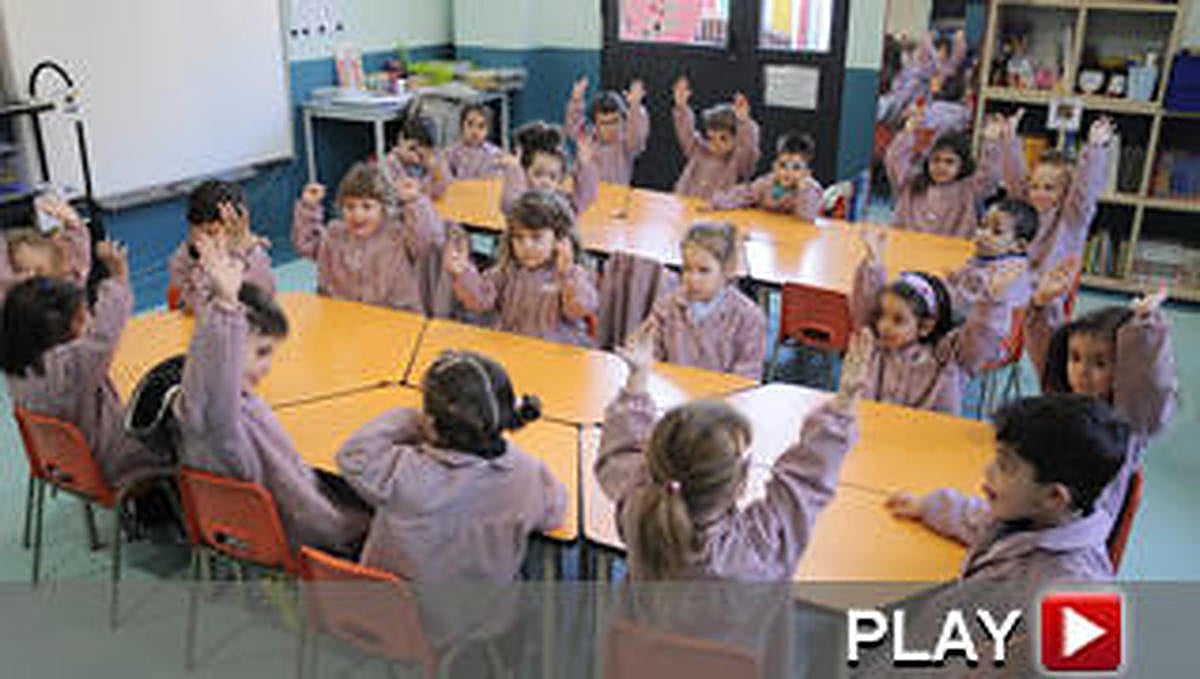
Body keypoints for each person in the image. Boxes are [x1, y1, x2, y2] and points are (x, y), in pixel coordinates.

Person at [595, 327, 871, 579]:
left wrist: (637, 378)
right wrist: (843, 405)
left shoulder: (638, 512)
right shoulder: (753, 550)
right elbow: (802, 484)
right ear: (739, 484)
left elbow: (621, 450)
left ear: (654, 463)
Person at [175, 238, 367, 552]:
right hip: (299, 538)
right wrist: (226, 306)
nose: (267, 368)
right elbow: (314, 517)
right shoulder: (219, 421)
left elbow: (211, 358)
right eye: (261, 352)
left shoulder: (198, 398)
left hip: (254, 525)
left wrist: (227, 294)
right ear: (227, 347)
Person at [1025, 265, 1178, 525]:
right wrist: (1042, 307)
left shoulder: (1127, 421)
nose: (1082, 372)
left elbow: (1148, 383)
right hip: (1044, 510)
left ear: (1125, 370)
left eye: (1100, 363)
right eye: (1075, 358)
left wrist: (1144, 333)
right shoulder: (1067, 396)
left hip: (1075, 530)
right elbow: (1049, 356)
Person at [2, 242, 165, 485]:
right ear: (64, 329)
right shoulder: (72, 367)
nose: (86, 322)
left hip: (63, 461)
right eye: (81, 319)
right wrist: (119, 275)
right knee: (174, 426)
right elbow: (104, 333)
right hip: (110, 464)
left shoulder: (20, 361)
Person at [849, 226, 1021, 414]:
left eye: (898, 320)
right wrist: (873, 265)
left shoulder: (948, 357)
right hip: (877, 426)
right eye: (882, 316)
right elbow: (865, 308)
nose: (884, 326)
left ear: (925, 326)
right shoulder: (877, 345)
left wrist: (992, 302)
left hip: (929, 431)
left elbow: (982, 336)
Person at [444, 189, 598, 346]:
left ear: (560, 240)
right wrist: (463, 272)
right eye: (518, 237)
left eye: (536, 237)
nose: (526, 246)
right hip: (512, 345)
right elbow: (480, 302)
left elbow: (579, 309)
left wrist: (567, 274)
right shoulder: (505, 272)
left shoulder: (574, 274)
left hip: (556, 349)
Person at [292, 162, 444, 312]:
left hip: (394, 315)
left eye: (367, 206)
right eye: (350, 206)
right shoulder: (334, 234)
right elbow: (305, 244)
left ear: (383, 208)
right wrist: (308, 207)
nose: (357, 214)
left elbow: (429, 241)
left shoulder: (398, 234)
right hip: (343, 315)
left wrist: (414, 201)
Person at [628, 222, 766, 379]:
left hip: (723, 393)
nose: (693, 279)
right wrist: (639, 351)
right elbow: (650, 357)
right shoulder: (666, 307)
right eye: (687, 269)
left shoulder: (748, 317)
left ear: (728, 269)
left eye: (703, 271)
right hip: (672, 389)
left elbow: (748, 374)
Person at [168, 180, 274, 313]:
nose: (214, 241)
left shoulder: (252, 253)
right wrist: (209, 266)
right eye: (206, 232)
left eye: (224, 233)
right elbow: (198, 304)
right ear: (191, 227)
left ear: (237, 230)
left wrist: (238, 254)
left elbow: (261, 298)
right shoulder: (183, 257)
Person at [672, 77, 761, 200]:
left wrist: (743, 122)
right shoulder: (699, 151)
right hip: (687, 205)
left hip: (717, 210)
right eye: (710, 138)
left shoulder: (737, 162)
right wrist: (681, 106)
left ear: (737, 139)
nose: (715, 143)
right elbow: (686, 133)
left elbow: (748, 148)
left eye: (723, 138)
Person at [709, 132, 823, 222]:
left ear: (806, 173)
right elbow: (743, 194)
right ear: (774, 166)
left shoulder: (811, 189)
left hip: (798, 235)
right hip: (770, 232)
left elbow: (807, 216)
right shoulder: (766, 183)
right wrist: (716, 202)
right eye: (783, 165)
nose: (788, 172)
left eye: (796, 168)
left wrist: (802, 189)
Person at [499, 121, 599, 215]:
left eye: (552, 177)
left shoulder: (560, 203)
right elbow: (511, 205)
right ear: (524, 173)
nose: (545, 182)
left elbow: (584, 198)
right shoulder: (522, 204)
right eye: (538, 174)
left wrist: (585, 164)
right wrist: (515, 170)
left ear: (560, 180)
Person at [564, 77, 649, 185]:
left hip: (616, 193)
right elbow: (573, 125)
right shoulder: (587, 137)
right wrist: (576, 100)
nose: (610, 128)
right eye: (604, 123)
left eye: (615, 121)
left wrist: (635, 106)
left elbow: (637, 136)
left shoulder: (625, 143)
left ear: (623, 121)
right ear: (595, 124)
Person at [444, 103, 505, 180]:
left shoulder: (495, 154)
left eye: (481, 126)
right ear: (462, 126)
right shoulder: (452, 154)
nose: (475, 131)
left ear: (487, 130)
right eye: (470, 124)